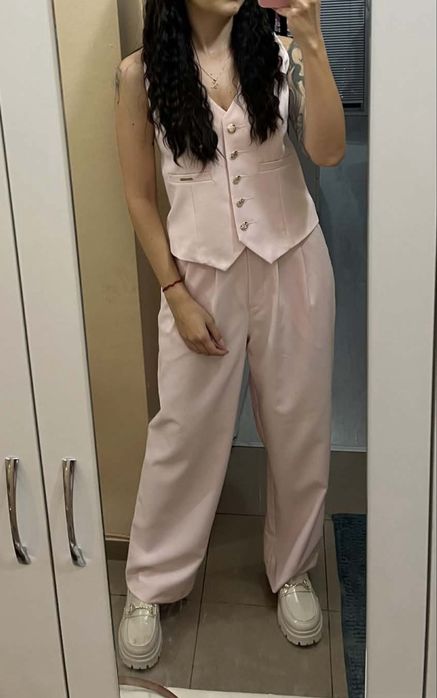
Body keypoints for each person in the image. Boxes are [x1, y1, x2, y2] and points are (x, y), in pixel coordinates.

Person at [114, 0, 345, 671]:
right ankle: (150, 582)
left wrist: (311, 39)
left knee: (298, 426)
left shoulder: (278, 56)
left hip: (292, 263)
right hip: (198, 278)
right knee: (183, 432)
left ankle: (293, 568)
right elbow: (139, 196)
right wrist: (174, 294)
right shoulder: (139, 75)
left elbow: (328, 151)